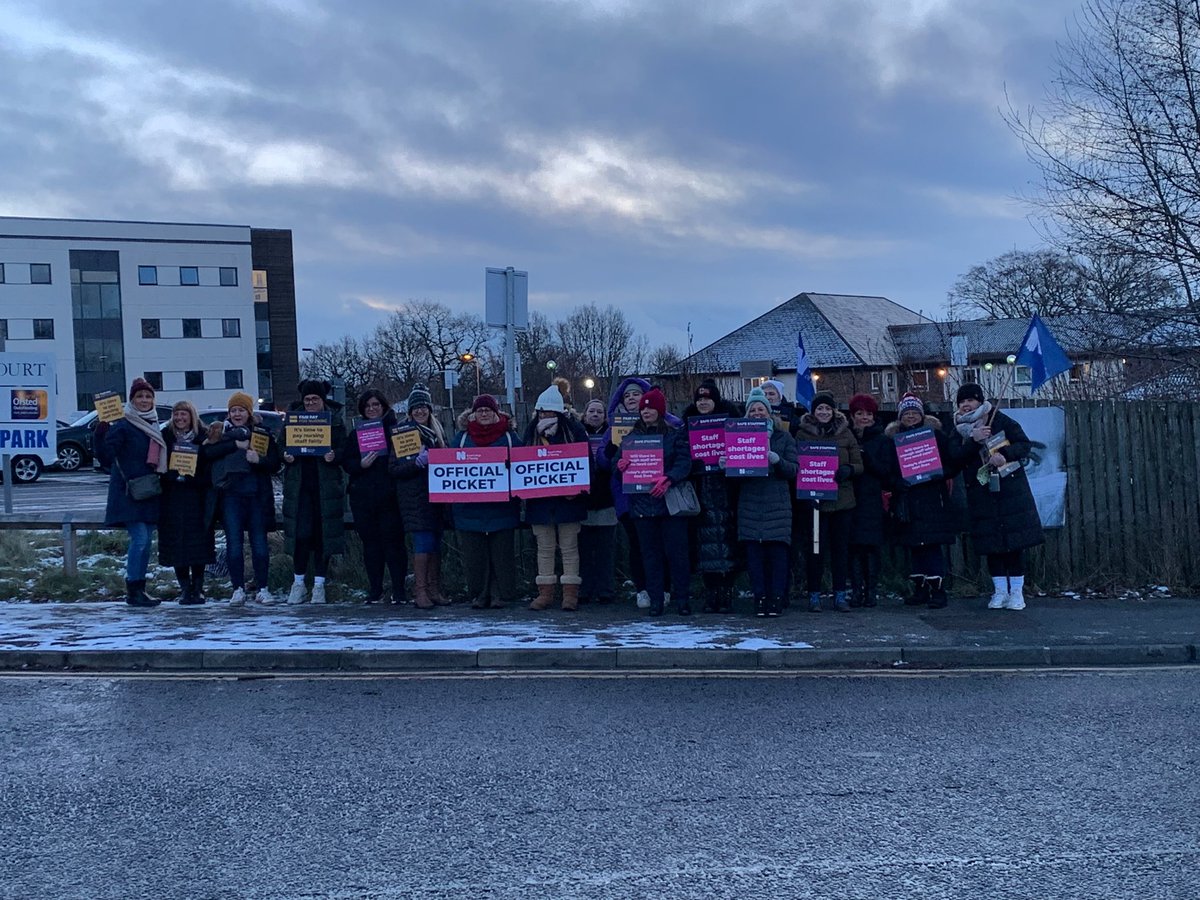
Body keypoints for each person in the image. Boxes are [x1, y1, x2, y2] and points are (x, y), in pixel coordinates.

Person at [951, 383, 1045, 610]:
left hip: (1010, 490)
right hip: (981, 492)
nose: (966, 405)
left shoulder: (1000, 420)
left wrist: (1004, 454)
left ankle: (1017, 593)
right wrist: (973, 441)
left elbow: (1023, 444)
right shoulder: (957, 429)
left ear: (980, 401)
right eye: (962, 402)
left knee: (1014, 544)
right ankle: (999, 591)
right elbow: (954, 457)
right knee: (992, 543)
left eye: (970, 400)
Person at [609, 387, 693, 616]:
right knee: (650, 555)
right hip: (643, 506)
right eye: (643, 408)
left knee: (677, 554)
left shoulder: (675, 435)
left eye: (650, 407)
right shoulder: (631, 438)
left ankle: (682, 599)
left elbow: (685, 464)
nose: (646, 411)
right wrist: (620, 467)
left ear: (660, 410)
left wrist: (669, 479)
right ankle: (656, 600)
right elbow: (616, 468)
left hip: (670, 504)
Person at [203, 391, 282, 605]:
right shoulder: (220, 433)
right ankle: (237, 588)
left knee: (259, 544)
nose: (237, 414)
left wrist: (260, 460)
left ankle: (263, 588)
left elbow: (275, 463)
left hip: (256, 496)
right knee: (234, 544)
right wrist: (234, 446)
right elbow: (207, 454)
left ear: (249, 412)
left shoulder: (261, 433)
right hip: (230, 498)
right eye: (233, 410)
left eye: (241, 410)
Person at [95, 376, 168, 608]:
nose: (144, 400)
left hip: (148, 492)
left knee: (146, 542)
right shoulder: (123, 425)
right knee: (140, 540)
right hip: (128, 493)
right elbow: (105, 456)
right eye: (140, 396)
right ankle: (133, 589)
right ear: (132, 400)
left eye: (148, 396)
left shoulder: (153, 425)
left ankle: (139, 589)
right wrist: (102, 429)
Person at [884, 392, 961, 609]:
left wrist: (942, 473)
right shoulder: (893, 441)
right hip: (907, 501)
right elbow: (887, 470)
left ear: (922, 415)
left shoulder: (936, 437)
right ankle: (919, 589)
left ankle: (938, 591)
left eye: (914, 412)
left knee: (931, 547)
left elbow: (953, 463)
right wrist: (896, 483)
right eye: (906, 413)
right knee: (914, 548)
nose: (910, 416)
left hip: (932, 499)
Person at [452, 394, 523, 609]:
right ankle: (479, 594)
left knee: (502, 555)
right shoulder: (462, 438)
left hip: (502, 507)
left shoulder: (510, 437)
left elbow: (523, 465)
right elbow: (449, 467)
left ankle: (500, 593)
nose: (484, 414)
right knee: (475, 556)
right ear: (473, 414)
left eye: (488, 410)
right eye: (480, 410)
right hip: (469, 509)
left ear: (496, 413)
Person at [795, 391, 862, 612]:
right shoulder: (803, 434)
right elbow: (796, 465)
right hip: (815, 503)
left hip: (842, 501)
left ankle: (840, 594)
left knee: (840, 550)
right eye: (819, 409)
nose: (823, 412)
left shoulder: (846, 434)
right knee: (815, 550)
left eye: (827, 408)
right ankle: (814, 595)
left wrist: (848, 469)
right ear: (813, 412)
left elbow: (859, 465)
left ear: (833, 411)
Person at [523, 385, 589, 611]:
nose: (545, 416)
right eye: (542, 413)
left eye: (549, 413)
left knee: (570, 548)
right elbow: (522, 464)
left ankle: (570, 595)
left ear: (558, 412)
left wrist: (577, 488)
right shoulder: (531, 432)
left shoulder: (573, 431)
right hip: (540, 502)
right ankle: (546, 593)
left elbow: (585, 460)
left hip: (568, 501)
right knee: (544, 547)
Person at [733, 387, 798, 617]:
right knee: (755, 559)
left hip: (777, 505)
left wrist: (778, 460)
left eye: (761, 409)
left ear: (769, 412)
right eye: (753, 410)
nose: (757, 413)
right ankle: (759, 598)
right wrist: (726, 464)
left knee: (778, 557)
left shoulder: (783, 436)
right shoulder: (739, 435)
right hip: (750, 504)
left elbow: (793, 470)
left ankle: (776, 599)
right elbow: (735, 475)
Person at [281, 380, 347, 605]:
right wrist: (286, 456)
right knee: (300, 536)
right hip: (299, 487)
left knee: (322, 536)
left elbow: (345, 449)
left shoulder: (335, 421)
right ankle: (298, 583)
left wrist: (334, 455)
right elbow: (281, 445)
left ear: (322, 401)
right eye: (307, 399)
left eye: (314, 399)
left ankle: (319, 585)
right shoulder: (293, 420)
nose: (310, 403)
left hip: (325, 486)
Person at [341, 389, 406, 605]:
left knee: (393, 544)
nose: (372, 409)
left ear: (384, 406)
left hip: (389, 497)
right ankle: (375, 589)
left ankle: (399, 590)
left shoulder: (395, 430)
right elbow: (347, 462)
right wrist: (360, 465)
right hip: (363, 497)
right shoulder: (355, 433)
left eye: (376, 405)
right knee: (371, 546)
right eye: (368, 406)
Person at [390, 383, 451, 608]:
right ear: (409, 411)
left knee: (435, 542)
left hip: (436, 495)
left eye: (423, 407)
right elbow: (394, 469)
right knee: (423, 543)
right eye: (415, 408)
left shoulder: (438, 432)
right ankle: (421, 591)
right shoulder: (403, 432)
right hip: (414, 497)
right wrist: (416, 464)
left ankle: (434, 588)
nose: (420, 411)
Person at [682, 379, 740, 613]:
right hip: (700, 491)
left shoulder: (731, 423)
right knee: (703, 544)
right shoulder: (687, 426)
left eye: (707, 398)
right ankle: (711, 591)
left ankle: (726, 591)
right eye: (700, 399)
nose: (703, 402)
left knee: (728, 542)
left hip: (726, 490)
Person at [159, 400, 215, 605]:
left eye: (184, 415)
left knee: (197, 545)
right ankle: (184, 588)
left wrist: (195, 478)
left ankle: (198, 588)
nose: (180, 419)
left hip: (197, 498)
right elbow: (158, 465)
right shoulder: (165, 436)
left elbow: (210, 468)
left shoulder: (203, 437)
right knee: (177, 545)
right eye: (176, 415)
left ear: (192, 416)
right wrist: (170, 475)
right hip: (172, 497)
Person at [847, 393, 890, 608]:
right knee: (854, 548)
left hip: (872, 499)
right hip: (850, 497)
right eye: (859, 413)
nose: (864, 417)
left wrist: (866, 458)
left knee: (871, 547)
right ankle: (856, 589)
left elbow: (886, 470)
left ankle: (871, 590)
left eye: (868, 413)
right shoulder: (847, 437)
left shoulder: (882, 440)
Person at [578, 398, 618, 604]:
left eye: (599, 412)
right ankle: (585, 590)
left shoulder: (613, 435)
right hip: (582, 500)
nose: (595, 415)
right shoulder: (575, 434)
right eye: (591, 411)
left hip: (606, 498)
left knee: (605, 551)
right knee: (583, 551)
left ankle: (606, 590)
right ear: (584, 414)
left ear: (605, 416)